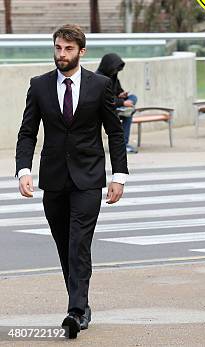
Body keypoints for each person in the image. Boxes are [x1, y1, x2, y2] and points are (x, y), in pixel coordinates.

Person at [15, 24, 128, 339]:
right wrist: (23, 170)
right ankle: (82, 304)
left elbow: (115, 133)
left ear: (81, 51)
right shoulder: (39, 86)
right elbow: (27, 132)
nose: (61, 55)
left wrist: (118, 176)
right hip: (52, 179)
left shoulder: (100, 85)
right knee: (65, 244)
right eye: (58, 48)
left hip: (89, 178)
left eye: (67, 49)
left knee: (79, 242)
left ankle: (75, 311)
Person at [96, 53, 139, 153]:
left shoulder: (113, 76)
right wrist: (122, 103)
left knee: (133, 98)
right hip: (104, 108)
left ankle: (123, 145)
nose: (115, 71)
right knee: (128, 114)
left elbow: (118, 91)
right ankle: (122, 145)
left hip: (115, 104)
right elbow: (103, 99)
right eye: (114, 69)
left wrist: (121, 95)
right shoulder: (98, 78)